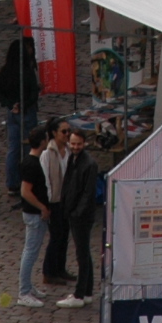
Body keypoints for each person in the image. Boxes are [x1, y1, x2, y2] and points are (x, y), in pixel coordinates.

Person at [57, 126, 102, 307]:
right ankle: (87, 291)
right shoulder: (74, 159)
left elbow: (87, 192)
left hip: (81, 215)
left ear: (85, 143)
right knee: (84, 253)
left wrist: (76, 212)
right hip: (74, 211)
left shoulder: (89, 164)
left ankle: (79, 294)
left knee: (82, 255)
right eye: (73, 143)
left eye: (78, 144)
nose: (75, 147)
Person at [0, 33, 40, 201]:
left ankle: (12, 183)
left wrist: (10, 105)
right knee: (30, 148)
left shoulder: (5, 71)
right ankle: (29, 182)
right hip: (27, 112)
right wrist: (23, 105)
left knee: (13, 149)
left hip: (12, 114)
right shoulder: (26, 72)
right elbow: (33, 94)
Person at [15, 125, 52, 306]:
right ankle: (23, 292)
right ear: (42, 141)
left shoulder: (31, 161)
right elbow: (26, 191)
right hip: (33, 214)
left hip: (35, 213)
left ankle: (28, 287)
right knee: (30, 252)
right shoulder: (31, 164)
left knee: (33, 251)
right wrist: (42, 207)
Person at [41, 117, 72, 290]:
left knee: (64, 236)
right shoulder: (48, 154)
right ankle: (49, 271)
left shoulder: (67, 151)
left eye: (68, 131)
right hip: (55, 201)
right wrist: (48, 202)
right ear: (54, 133)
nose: (67, 134)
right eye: (64, 131)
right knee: (55, 237)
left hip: (66, 200)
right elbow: (46, 179)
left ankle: (60, 268)